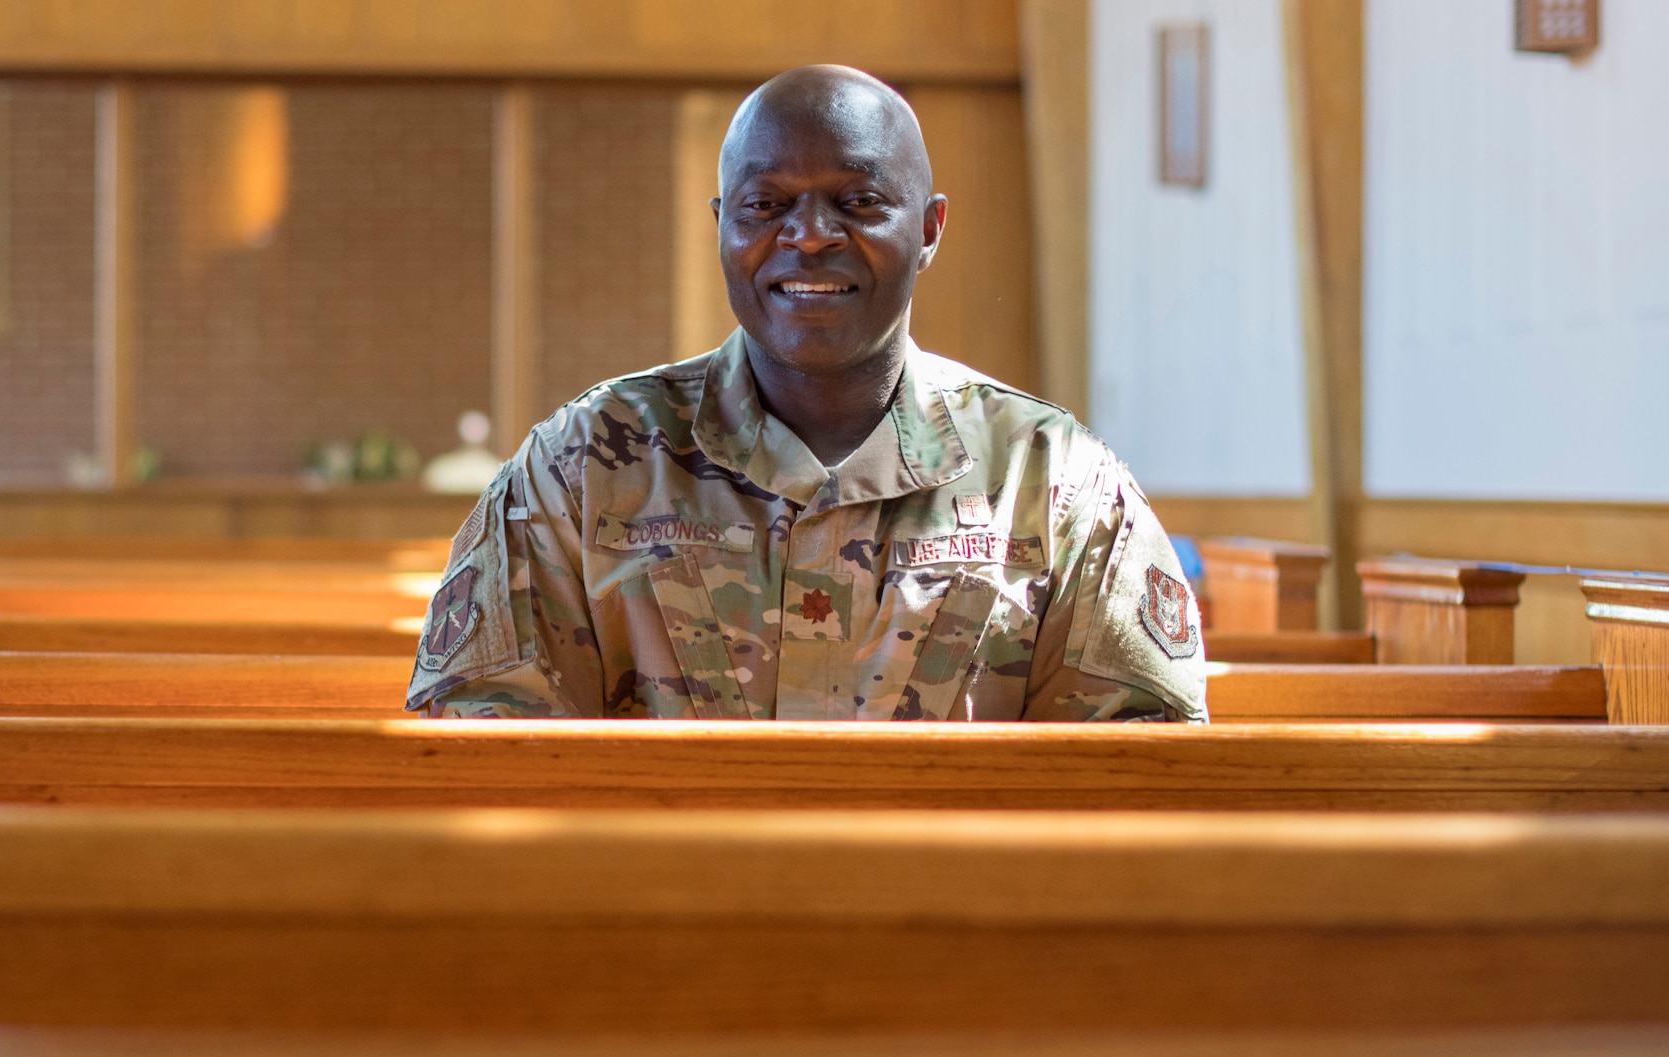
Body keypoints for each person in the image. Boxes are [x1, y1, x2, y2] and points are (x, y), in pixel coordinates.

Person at [407, 65, 1207, 722]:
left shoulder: (1056, 484)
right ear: (723, 226)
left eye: (858, 202)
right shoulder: (580, 468)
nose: (811, 234)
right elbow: (479, 757)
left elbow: (1138, 780)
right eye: (767, 205)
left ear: (928, 230)